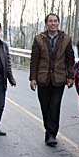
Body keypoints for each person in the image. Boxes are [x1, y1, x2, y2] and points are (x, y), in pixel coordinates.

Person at [29, 13, 75, 146]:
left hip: (59, 78)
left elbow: (70, 59)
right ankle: (48, 129)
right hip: (43, 78)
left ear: (58, 23)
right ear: (46, 24)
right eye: (50, 21)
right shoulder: (39, 39)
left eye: (55, 21)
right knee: (45, 106)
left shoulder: (66, 39)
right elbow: (34, 60)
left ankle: (51, 134)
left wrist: (70, 76)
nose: (53, 23)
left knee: (55, 106)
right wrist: (33, 78)